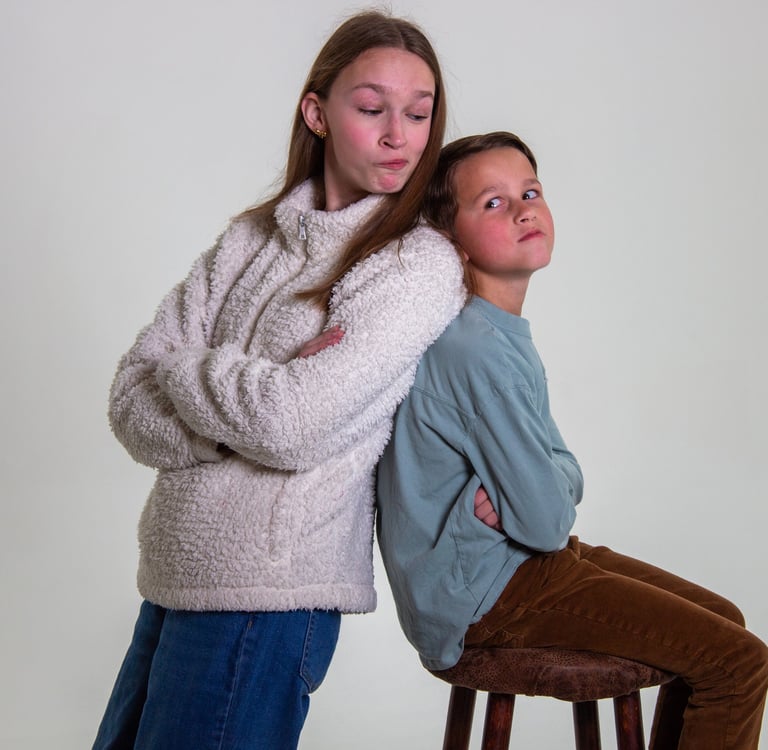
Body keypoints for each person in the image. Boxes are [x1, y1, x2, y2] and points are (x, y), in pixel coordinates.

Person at [92, 11, 469, 750]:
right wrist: (247, 397)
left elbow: (291, 426)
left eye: (419, 113)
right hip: (172, 574)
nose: (399, 135)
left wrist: (186, 370)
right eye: (372, 109)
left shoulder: (414, 264)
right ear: (317, 113)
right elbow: (130, 398)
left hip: (267, 594)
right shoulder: (250, 239)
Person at [376, 131, 768, 749]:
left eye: (530, 192)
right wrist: (539, 494)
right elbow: (546, 522)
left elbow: (563, 470)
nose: (523, 210)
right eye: (494, 202)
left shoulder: (497, 334)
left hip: (513, 562)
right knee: (738, 663)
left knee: (726, 624)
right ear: (452, 240)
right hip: (482, 592)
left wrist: (542, 486)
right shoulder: (474, 350)